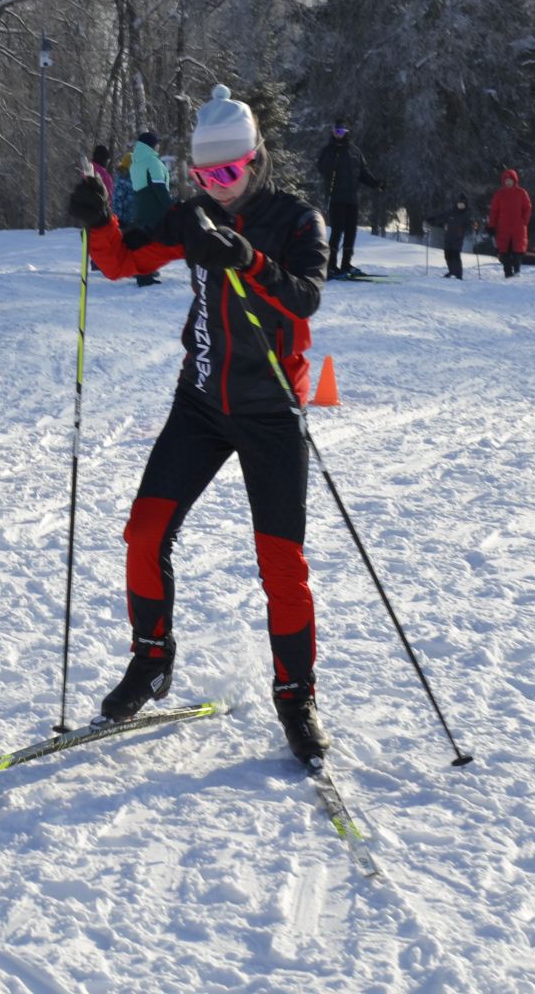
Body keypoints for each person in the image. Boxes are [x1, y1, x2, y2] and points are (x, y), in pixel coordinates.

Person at [65, 84, 333, 765]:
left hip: (270, 412)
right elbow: (120, 261)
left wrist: (246, 259)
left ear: (257, 162)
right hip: (202, 405)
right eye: (204, 176)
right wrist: (98, 220)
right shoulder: (191, 219)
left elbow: (305, 299)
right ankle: (151, 661)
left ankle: (296, 698)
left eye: (229, 174)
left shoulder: (298, 222)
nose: (216, 188)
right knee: (144, 530)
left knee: (282, 563)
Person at [314, 118, 384, 279]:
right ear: (333, 132)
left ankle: (346, 264)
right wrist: (333, 155)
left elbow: (363, 173)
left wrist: (376, 184)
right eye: (337, 131)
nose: (340, 134)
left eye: (343, 132)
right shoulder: (328, 150)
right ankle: (331, 266)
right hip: (336, 197)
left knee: (351, 232)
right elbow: (322, 169)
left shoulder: (355, 151)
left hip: (352, 198)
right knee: (337, 232)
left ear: (347, 132)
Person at [126, 131, 173, 286]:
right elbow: (159, 188)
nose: (158, 145)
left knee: (142, 241)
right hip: (154, 207)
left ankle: (143, 273)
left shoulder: (135, 162)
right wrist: (171, 207)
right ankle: (145, 276)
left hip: (140, 205)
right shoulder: (152, 162)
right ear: (151, 145)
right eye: (156, 143)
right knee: (152, 242)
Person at [487, 168, 532, 277]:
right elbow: (494, 211)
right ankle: (507, 272)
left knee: (517, 251)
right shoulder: (499, 194)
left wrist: (524, 221)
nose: (508, 182)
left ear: (514, 180)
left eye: (510, 179)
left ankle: (517, 270)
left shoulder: (521, 192)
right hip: (503, 227)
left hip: (518, 227)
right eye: (506, 180)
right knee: (504, 251)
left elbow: (527, 207)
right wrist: (492, 226)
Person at [429, 193, 473, 279]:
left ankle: (458, 273)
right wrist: (432, 220)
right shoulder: (450, 213)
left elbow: (469, 226)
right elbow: (440, 217)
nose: (460, 206)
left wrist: (473, 227)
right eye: (459, 204)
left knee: (455, 255)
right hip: (448, 237)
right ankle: (451, 271)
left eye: (462, 204)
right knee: (448, 255)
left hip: (458, 238)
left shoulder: (466, 215)